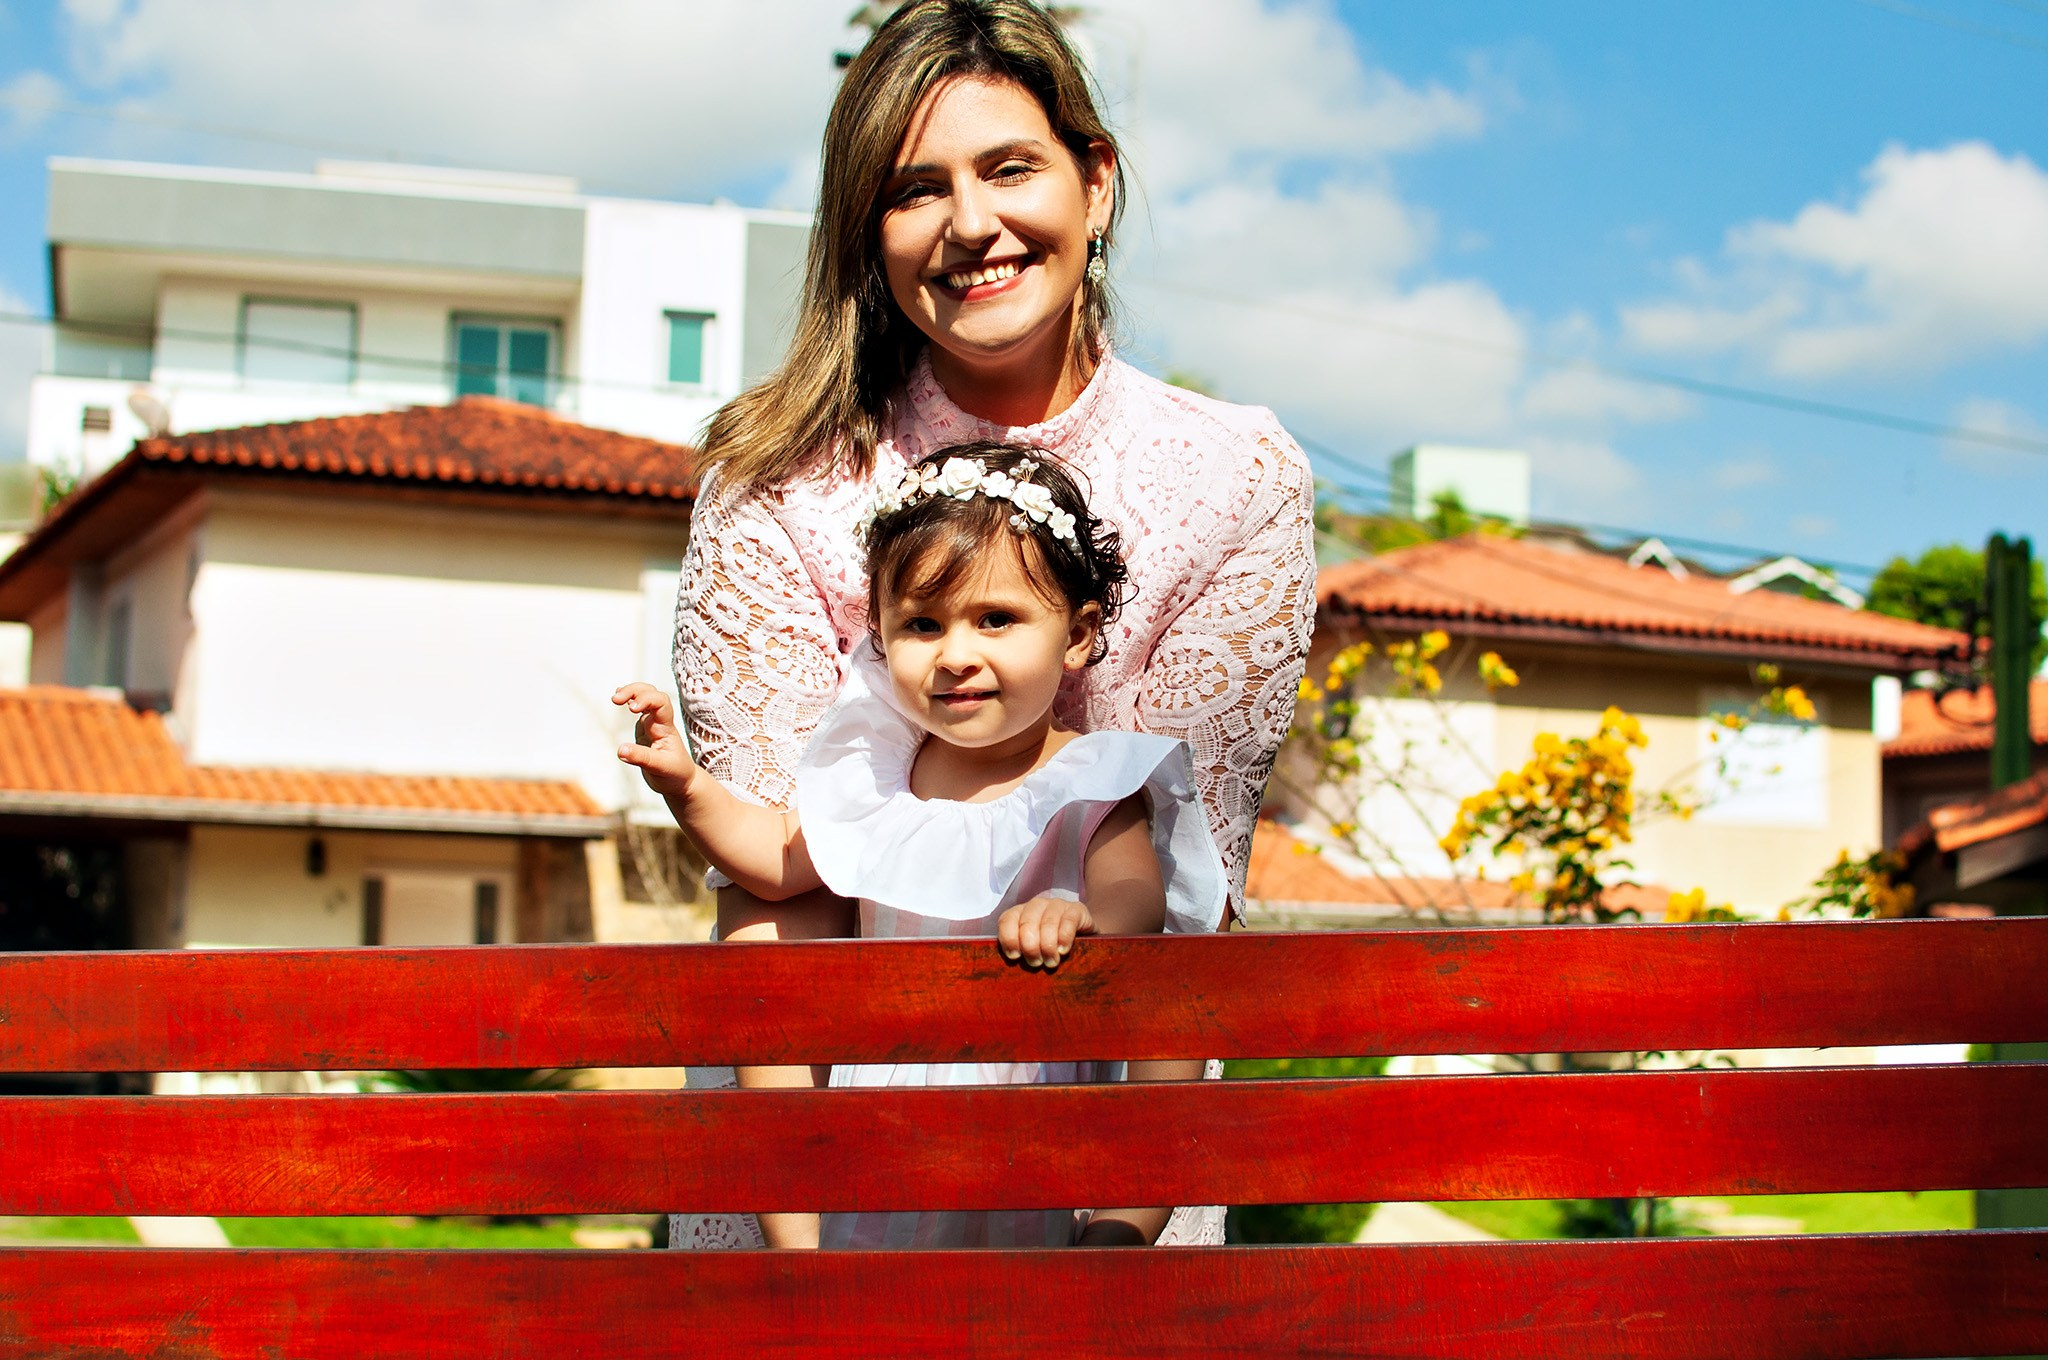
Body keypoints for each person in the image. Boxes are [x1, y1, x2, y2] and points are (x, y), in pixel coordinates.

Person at [671, 0, 1315, 1248]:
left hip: (1108, 1180)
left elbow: (1177, 891)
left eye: (1008, 167)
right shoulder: (774, 488)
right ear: (869, 232)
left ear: (1096, 183)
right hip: (804, 1172)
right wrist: (805, 1258)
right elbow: (783, 905)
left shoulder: (1239, 476)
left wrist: (1115, 1235)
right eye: (916, 189)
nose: (971, 224)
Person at [619, 442, 1223, 1248]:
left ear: (1076, 637)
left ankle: (1124, 1229)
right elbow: (774, 863)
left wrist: (1075, 912)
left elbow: (1136, 901)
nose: (956, 654)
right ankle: (817, 1273)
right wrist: (688, 787)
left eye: (997, 620)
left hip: (1029, 1128)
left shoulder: (1090, 781)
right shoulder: (877, 781)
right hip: (883, 1135)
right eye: (922, 625)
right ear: (883, 636)